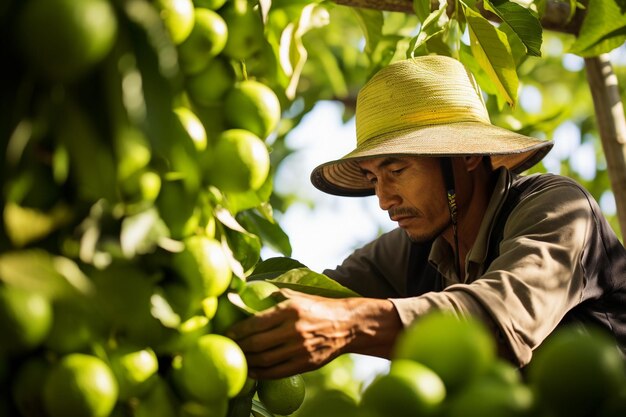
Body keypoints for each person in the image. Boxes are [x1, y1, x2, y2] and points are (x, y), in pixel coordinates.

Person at [227, 55, 626, 379]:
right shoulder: (414, 248)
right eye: (372, 178)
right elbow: (316, 295)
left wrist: (351, 322)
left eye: (396, 171)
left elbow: (501, 320)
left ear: (467, 155)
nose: (383, 199)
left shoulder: (558, 208)